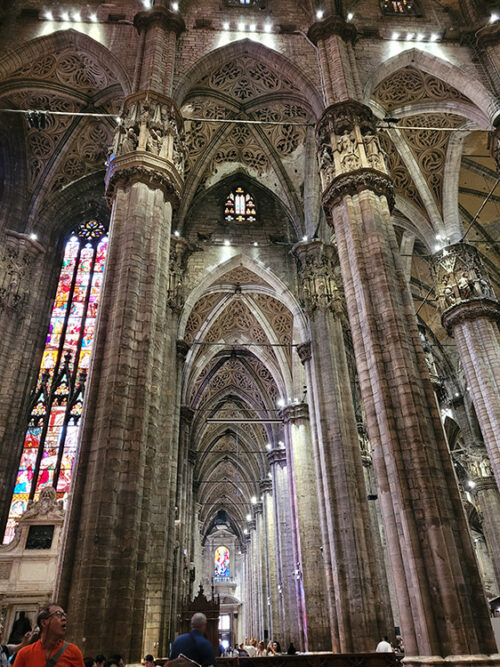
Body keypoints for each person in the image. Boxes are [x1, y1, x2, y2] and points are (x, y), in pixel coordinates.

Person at [13, 603, 85, 666]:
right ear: (44, 623)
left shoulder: (73, 652)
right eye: (58, 614)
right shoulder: (24, 653)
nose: (64, 618)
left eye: (64, 615)